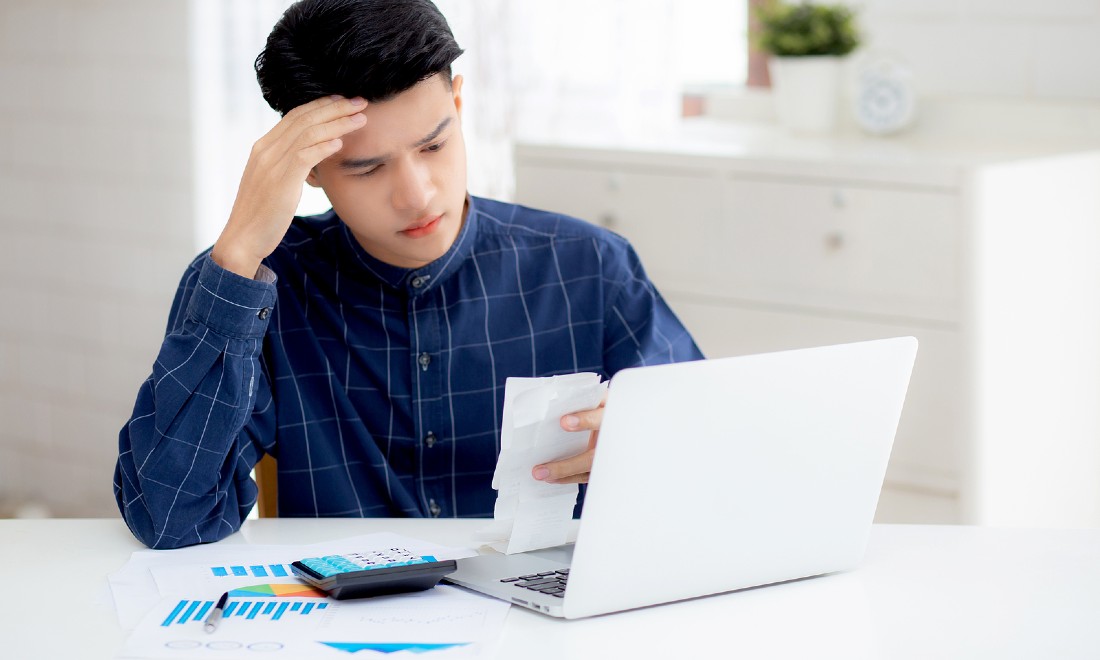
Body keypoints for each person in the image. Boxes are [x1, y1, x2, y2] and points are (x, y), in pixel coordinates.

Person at [114, 0, 702, 549]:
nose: (417, 197)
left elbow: (718, 450)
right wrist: (239, 249)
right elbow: (170, 518)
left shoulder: (589, 267)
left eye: (434, 146)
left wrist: (654, 446)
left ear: (460, 106)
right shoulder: (258, 286)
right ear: (309, 169)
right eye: (367, 169)